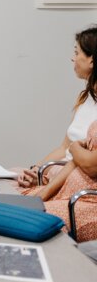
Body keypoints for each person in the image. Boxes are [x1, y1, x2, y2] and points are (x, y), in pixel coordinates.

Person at [17, 26, 97, 189]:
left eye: (77, 52)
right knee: (12, 177)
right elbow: (64, 148)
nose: (72, 58)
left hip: (75, 181)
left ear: (92, 60)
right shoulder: (86, 97)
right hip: (58, 174)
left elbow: (87, 165)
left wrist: (45, 182)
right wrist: (35, 170)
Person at [22, 121, 97, 242]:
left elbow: (90, 165)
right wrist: (44, 193)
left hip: (89, 203)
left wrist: (74, 147)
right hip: (68, 193)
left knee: (28, 219)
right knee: (16, 205)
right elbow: (78, 160)